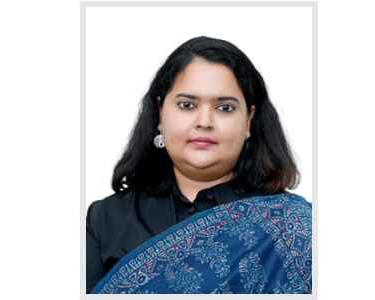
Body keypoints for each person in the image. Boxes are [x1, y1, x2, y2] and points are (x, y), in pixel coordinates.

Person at [86, 36, 312, 294]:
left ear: (249, 121)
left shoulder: (293, 227)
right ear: (161, 113)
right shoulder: (105, 219)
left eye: (225, 108)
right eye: (187, 105)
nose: (204, 121)